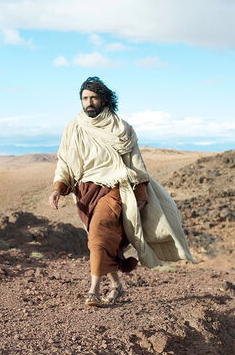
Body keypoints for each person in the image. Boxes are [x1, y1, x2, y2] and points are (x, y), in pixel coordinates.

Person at [49, 77, 193, 307]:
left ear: (104, 99)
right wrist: (58, 188)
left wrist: (142, 197)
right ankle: (117, 285)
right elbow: (64, 161)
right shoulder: (73, 127)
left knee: (98, 233)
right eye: (85, 98)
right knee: (104, 240)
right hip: (85, 192)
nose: (89, 102)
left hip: (114, 188)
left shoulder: (121, 129)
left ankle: (93, 292)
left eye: (93, 97)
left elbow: (137, 165)